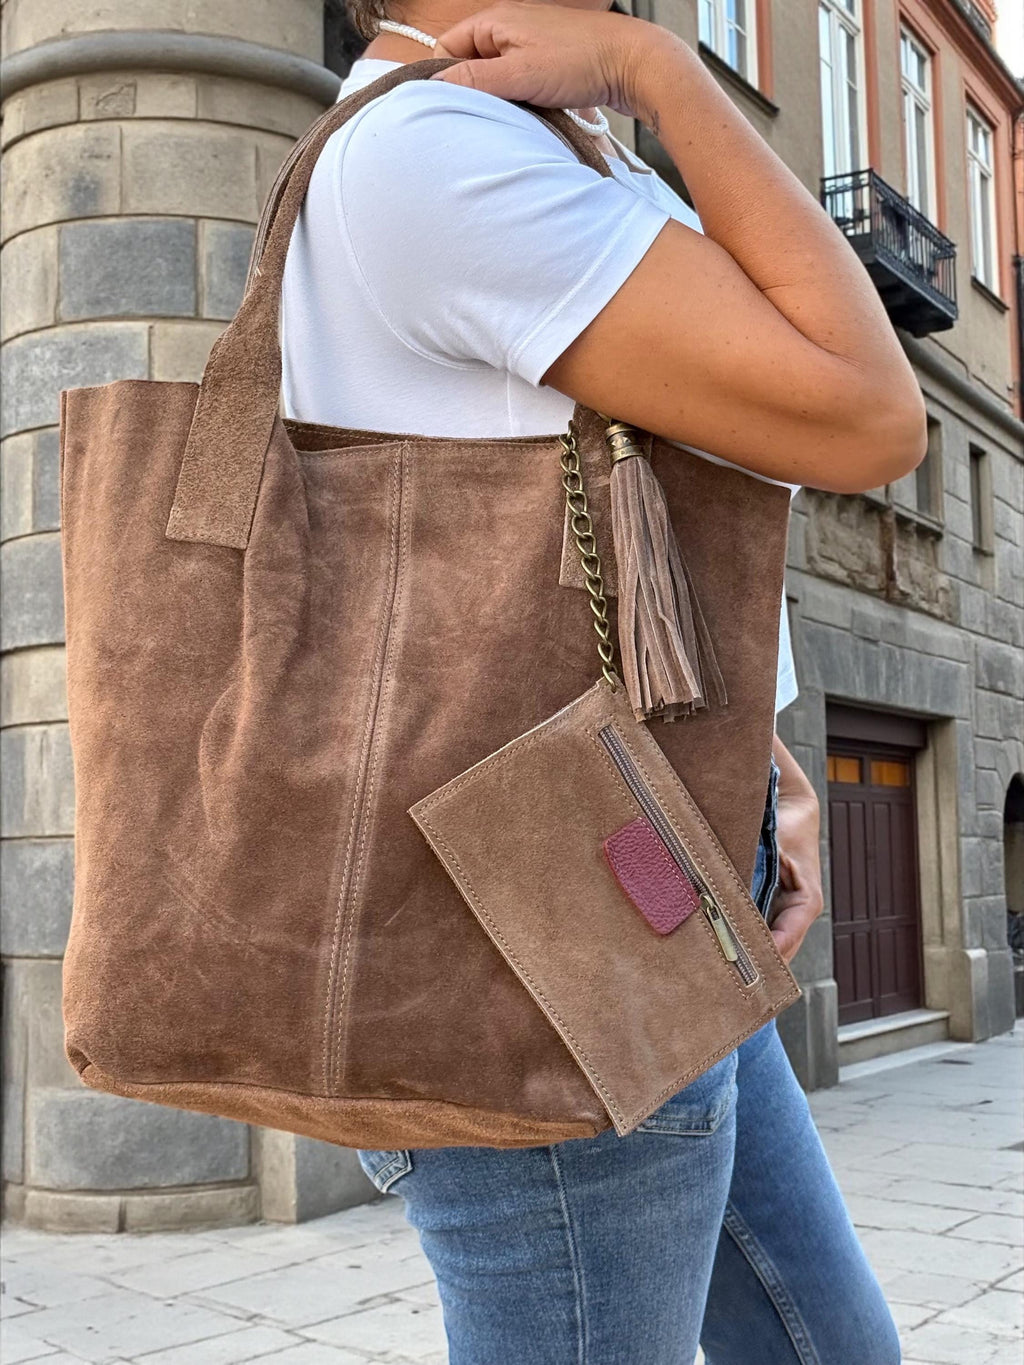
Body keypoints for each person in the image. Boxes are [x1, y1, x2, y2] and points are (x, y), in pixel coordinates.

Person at [281, 3, 923, 1360]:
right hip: (543, 927)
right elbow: (869, 410)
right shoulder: (438, 155)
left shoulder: (525, 142)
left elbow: (621, 512)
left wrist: (759, 752)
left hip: (640, 858)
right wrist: (659, 74)